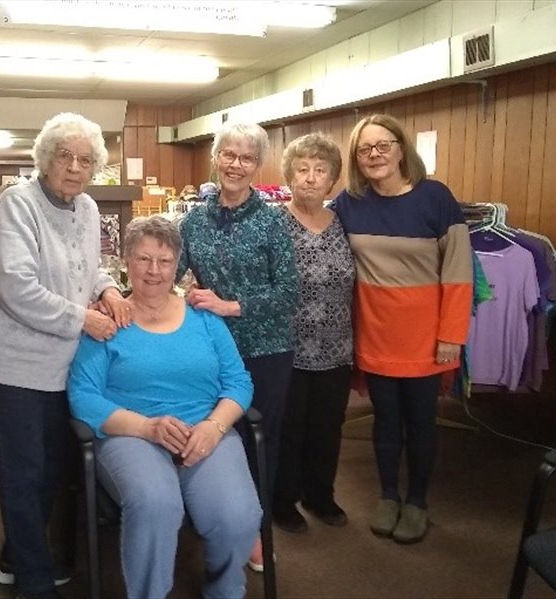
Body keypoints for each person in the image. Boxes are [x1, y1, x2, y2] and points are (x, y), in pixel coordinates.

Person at [0, 112, 132, 599]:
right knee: (25, 472)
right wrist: (84, 318)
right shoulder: (17, 205)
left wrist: (108, 289)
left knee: (52, 469)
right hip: (13, 364)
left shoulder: (83, 206)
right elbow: (16, 288)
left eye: (86, 160)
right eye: (65, 156)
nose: (75, 168)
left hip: (61, 361)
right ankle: (34, 582)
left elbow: (88, 266)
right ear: (45, 158)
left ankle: (16, 555)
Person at [68, 216, 261, 599]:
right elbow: (83, 396)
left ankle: (224, 588)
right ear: (125, 262)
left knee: (238, 515)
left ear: (178, 265)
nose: (154, 271)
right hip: (131, 434)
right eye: (143, 259)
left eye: (165, 260)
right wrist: (147, 428)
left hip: (205, 430)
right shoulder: (107, 321)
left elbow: (239, 382)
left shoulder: (205, 317)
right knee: (156, 504)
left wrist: (215, 427)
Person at [332, 114, 473, 544]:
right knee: (386, 420)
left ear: (400, 148)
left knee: (421, 422)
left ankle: (418, 502)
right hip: (374, 332)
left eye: (383, 145)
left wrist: (451, 335)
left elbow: (459, 271)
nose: (374, 155)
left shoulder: (436, 198)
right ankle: (388, 495)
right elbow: (312, 229)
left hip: (426, 336)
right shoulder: (349, 202)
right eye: (364, 149)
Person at [176, 121, 297, 571]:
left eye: (247, 157)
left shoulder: (273, 222)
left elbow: (288, 294)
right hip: (211, 351)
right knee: (216, 435)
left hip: (266, 349)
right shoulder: (192, 220)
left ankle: (255, 532)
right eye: (229, 154)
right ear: (216, 158)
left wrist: (229, 305)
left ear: (257, 165)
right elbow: (170, 274)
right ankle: (214, 518)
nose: (236, 164)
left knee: (258, 441)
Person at [272, 133, 356, 534]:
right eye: (302, 169)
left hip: (337, 347)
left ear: (332, 180)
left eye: (319, 170)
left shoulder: (344, 222)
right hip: (287, 347)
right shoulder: (275, 223)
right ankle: (283, 500)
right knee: (289, 428)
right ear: (289, 175)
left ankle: (319, 495)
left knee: (327, 427)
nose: (309, 177)